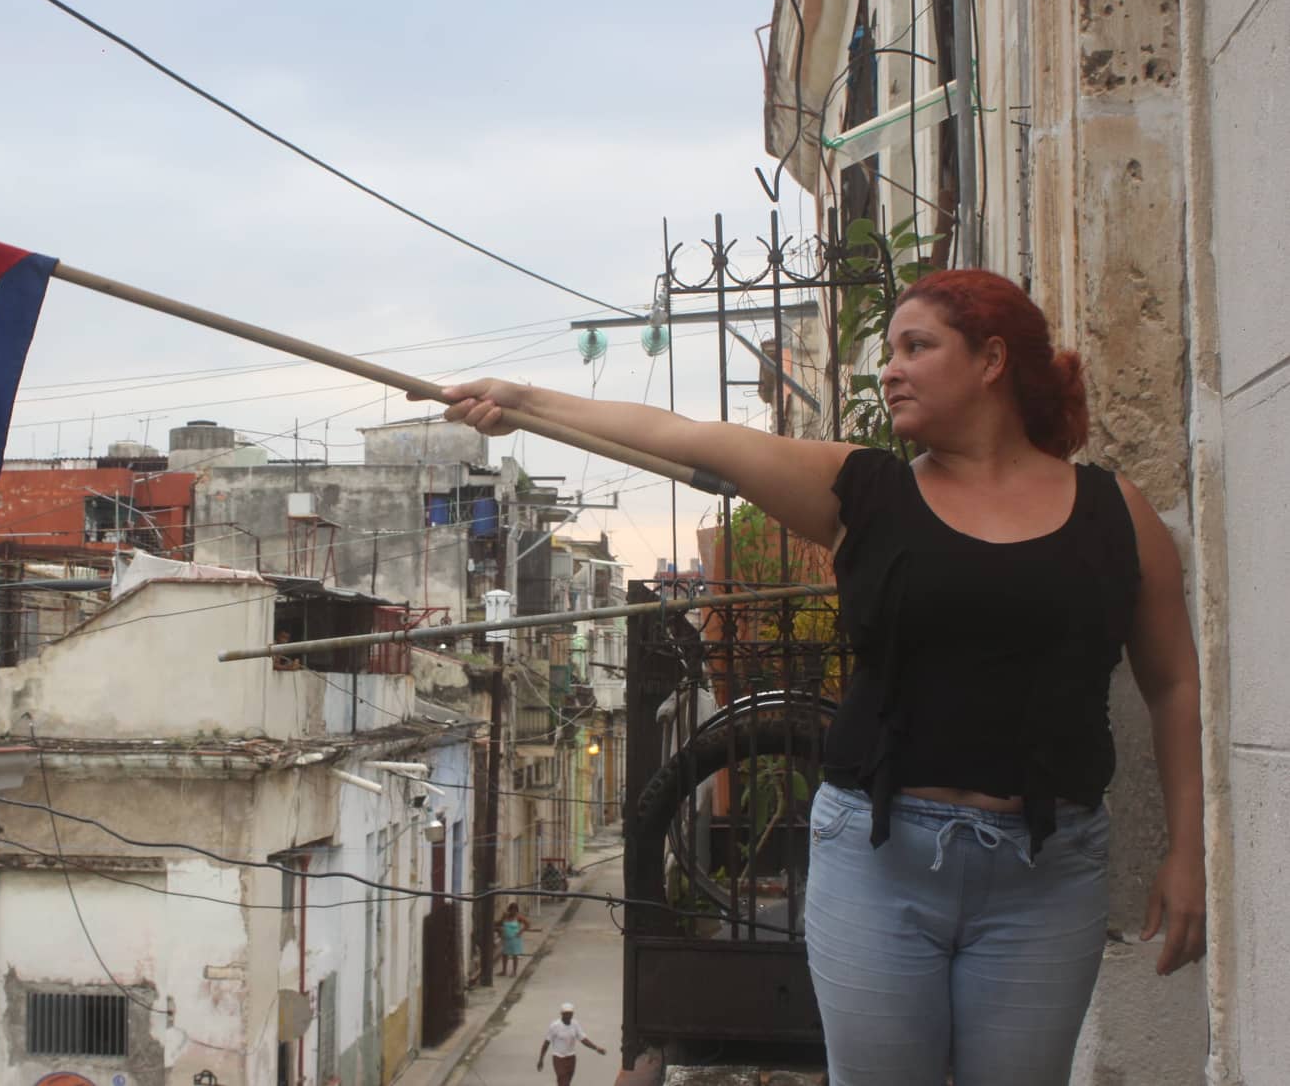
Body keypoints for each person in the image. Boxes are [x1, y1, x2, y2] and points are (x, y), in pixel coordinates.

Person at [434, 269, 1205, 1086]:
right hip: (880, 858)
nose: (890, 369)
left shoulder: (1115, 514)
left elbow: (1173, 685)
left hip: (1046, 873)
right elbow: (687, 434)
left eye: (917, 347)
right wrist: (521, 402)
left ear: (990, 360)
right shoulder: (865, 493)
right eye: (888, 351)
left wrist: (1185, 853)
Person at [537, 1002, 607, 1085]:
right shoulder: (555, 1026)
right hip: (558, 1058)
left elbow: (583, 1039)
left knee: (567, 1081)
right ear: (561, 1014)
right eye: (566, 1014)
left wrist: (596, 1048)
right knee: (563, 1081)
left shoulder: (575, 1024)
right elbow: (546, 1043)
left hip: (571, 1058)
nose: (568, 1016)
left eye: (570, 1014)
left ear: (573, 1014)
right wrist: (541, 1059)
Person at [497, 901, 529, 976]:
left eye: (515, 910)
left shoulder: (519, 917)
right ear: (509, 909)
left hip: (515, 939)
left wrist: (520, 931)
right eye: (512, 910)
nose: (513, 912)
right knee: (505, 954)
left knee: (515, 955)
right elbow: (500, 923)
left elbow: (528, 924)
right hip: (506, 939)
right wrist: (498, 928)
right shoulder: (505, 916)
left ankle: (514, 972)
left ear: (517, 911)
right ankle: (504, 971)